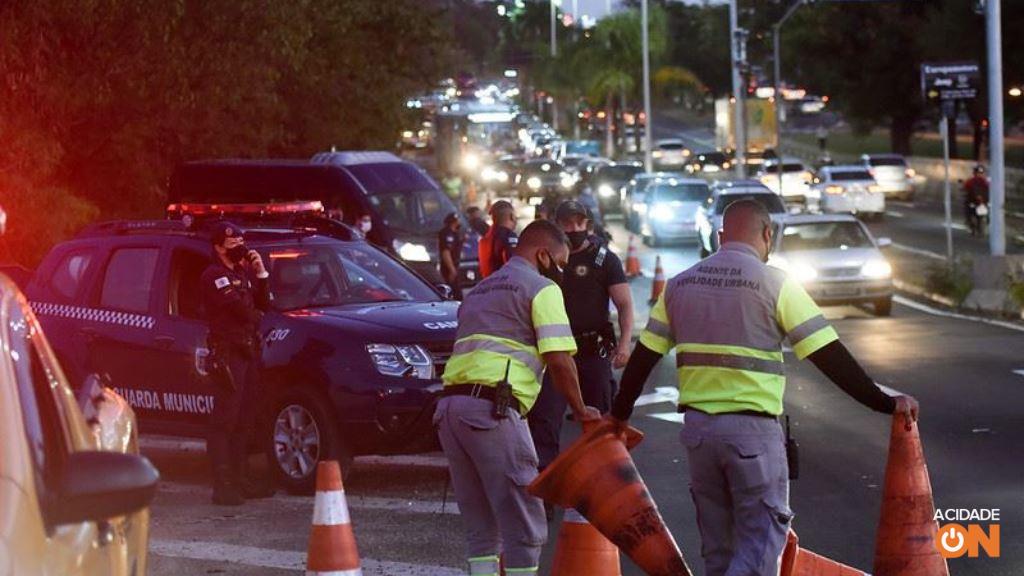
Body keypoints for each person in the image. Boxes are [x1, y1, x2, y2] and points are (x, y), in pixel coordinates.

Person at [608, 200, 919, 576]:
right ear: (768, 234)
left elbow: (644, 357)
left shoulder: (679, 284)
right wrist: (882, 402)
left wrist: (619, 415)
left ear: (720, 236)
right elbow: (828, 355)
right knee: (761, 543)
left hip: (699, 436)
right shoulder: (775, 283)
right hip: (752, 435)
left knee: (718, 550)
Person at [436, 220, 602, 576]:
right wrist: (580, 409)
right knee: (525, 525)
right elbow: (559, 358)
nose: (561, 271)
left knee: (481, 528)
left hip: (450, 410)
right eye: (560, 263)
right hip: (491, 411)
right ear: (543, 255)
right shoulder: (541, 288)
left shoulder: (479, 290)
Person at [528, 200, 634, 472]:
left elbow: (624, 304)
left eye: (579, 222)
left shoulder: (604, 259)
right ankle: (546, 481)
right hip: (554, 353)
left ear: (588, 224)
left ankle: (606, 478)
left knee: (600, 421)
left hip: (591, 350)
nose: (574, 228)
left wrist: (624, 345)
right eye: (567, 223)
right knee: (545, 420)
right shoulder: (544, 259)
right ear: (556, 225)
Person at [200, 221, 274, 506]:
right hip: (228, 354)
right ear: (219, 247)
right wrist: (255, 315)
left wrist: (261, 273)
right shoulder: (214, 275)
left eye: (242, 242)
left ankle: (241, 478)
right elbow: (243, 311)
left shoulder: (240, 274)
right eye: (233, 244)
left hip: (247, 351)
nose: (240, 247)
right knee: (225, 420)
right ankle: (223, 484)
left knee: (245, 418)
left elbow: (263, 304)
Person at [478, 200, 518, 278]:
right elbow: (514, 265)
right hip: (506, 283)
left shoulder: (485, 238)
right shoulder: (509, 236)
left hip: (488, 283)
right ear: (512, 216)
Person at [438, 212, 465, 299]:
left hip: (455, 265)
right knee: (454, 292)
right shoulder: (447, 233)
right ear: (454, 221)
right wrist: (452, 269)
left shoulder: (455, 233)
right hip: (449, 267)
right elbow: (446, 252)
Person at [963, 165, 989, 237]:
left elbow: (990, 190)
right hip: (972, 201)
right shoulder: (970, 181)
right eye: (978, 173)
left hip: (983, 202)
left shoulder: (985, 182)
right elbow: (965, 188)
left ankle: (983, 226)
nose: (979, 174)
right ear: (975, 173)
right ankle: (970, 223)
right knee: (968, 210)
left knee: (988, 213)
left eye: (981, 173)